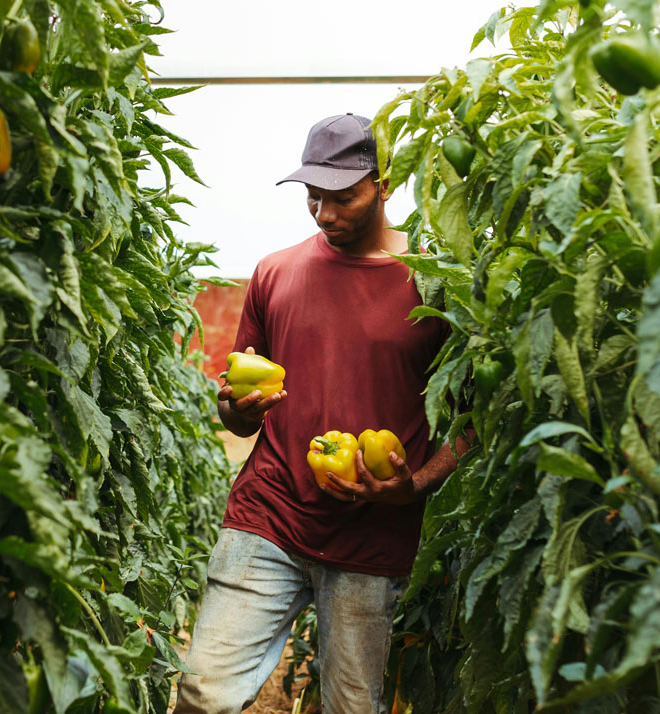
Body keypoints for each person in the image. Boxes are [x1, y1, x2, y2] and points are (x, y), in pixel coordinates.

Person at [172, 114, 472, 714]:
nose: (325, 214)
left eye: (343, 198)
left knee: (350, 706)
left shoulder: (435, 285)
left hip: (373, 534)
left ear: (383, 185)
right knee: (203, 690)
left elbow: (468, 423)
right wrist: (234, 406)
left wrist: (412, 485)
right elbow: (238, 413)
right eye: (313, 197)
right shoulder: (275, 273)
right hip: (269, 514)